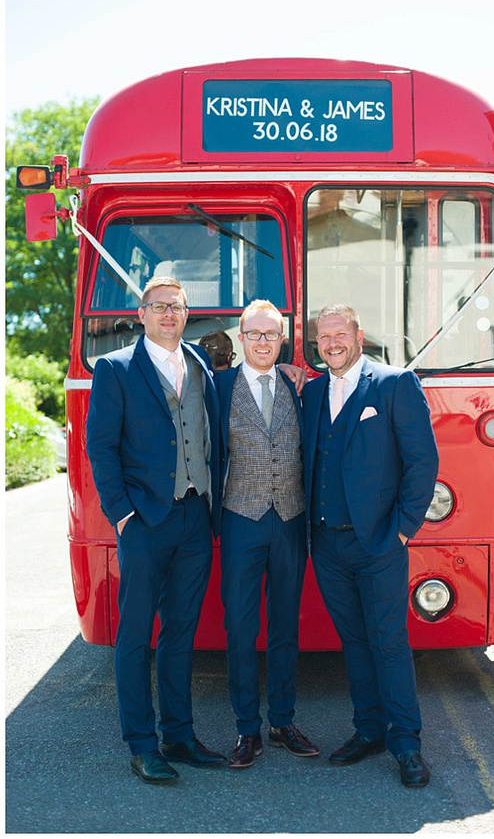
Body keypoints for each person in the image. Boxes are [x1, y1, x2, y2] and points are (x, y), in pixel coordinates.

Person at [86, 275, 226, 784]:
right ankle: (142, 745)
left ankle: (180, 735)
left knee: (182, 632)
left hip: (194, 516)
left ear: (187, 314)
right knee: (135, 634)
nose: (169, 314)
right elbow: (100, 447)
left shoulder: (201, 364)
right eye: (158, 306)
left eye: (177, 306)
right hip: (144, 520)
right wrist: (122, 513)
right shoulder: (115, 368)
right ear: (141, 314)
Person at [302, 304, 438, 788]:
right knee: (354, 643)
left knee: (389, 642)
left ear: (359, 335)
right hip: (327, 545)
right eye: (323, 337)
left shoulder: (394, 383)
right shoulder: (314, 391)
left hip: (379, 542)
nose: (332, 343)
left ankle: (407, 744)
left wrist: (402, 530)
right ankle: (368, 731)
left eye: (340, 334)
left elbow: (423, 462)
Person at [215, 299, 319, 768]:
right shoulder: (218, 386)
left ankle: (282, 721)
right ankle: (246, 729)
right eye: (254, 334)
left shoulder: (300, 387)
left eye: (270, 334)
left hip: (291, 519)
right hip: (240, 517)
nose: (262, 342)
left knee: (284, 625)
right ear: (240, 338)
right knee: (240, 626)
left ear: (282, 340)